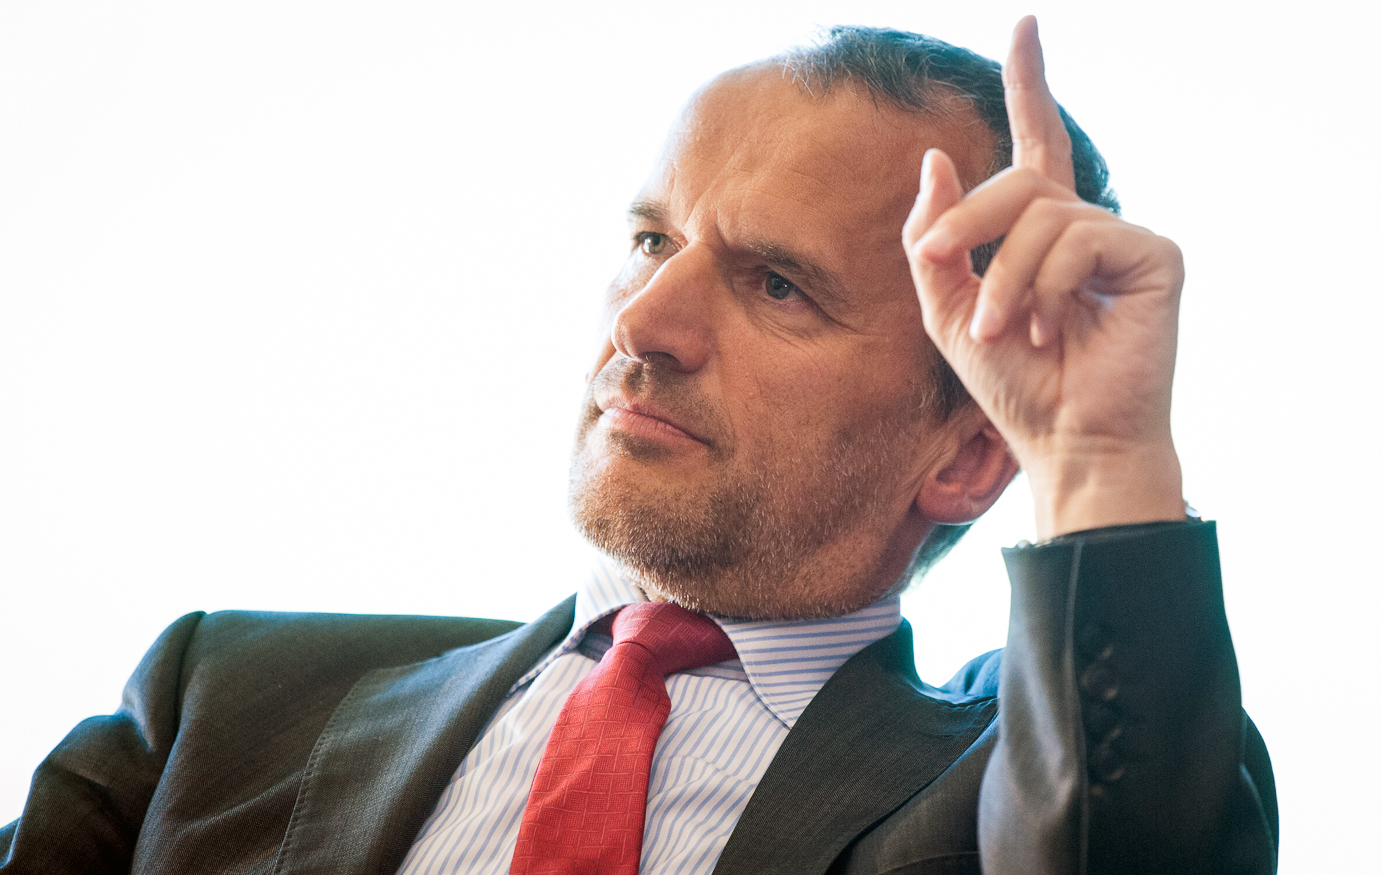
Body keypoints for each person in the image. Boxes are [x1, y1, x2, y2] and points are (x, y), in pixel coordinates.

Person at [0, 17, 1277, 875]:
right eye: (653, 241)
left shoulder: (1022, 782)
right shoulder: (220, 697)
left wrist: (1098, 455)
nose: (643, 322)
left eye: (777, 284)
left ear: (963, 453)